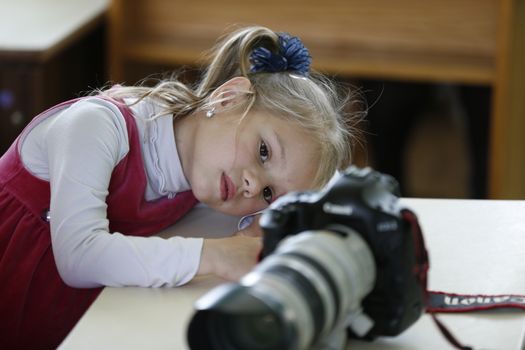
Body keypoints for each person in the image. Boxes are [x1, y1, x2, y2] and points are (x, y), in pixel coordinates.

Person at [0, 25, 359, 349]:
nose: (252, 185)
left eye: (269, 193)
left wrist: (265, 225)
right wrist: (217, 254)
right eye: (263, 152)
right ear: (228, 98)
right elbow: (79, 257)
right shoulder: (96, 125)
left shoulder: (203, 173)